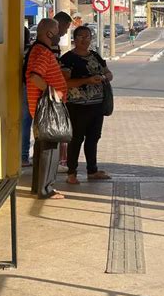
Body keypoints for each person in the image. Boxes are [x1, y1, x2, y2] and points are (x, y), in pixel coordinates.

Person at [60, 26, 114, 184]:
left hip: (97, 105)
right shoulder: (68, 58)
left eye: (88, 36)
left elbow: (109, 73)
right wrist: (86, 80)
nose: (85, 40)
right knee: (76, 139)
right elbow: (65, 82)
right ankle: (71, 173)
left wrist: (103, 77)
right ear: (74, 39)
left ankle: (92, 170)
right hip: (77, 106)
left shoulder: (96, 56)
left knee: (93, 138)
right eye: (81, 37)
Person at [26, 18, 68, 199]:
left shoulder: (38, 49)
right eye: (57, 30)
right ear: (49, 33)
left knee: (42, 148)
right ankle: (46, 189)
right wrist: (54, 92)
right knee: (50, 149)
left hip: (41, 106)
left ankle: (39, 187)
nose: (59, 34)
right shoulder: (42, 52)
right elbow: (35, 76)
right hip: (47, 107)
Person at [52, 12, 73, 173]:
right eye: (66, 26)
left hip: (57, 94)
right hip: (53, 96)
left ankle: (61, 160)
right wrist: (52, 92)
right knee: (57, 129)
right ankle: (59, 160)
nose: (67, 31)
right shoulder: (48, 45)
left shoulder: (54, 44)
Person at [21, 26, 33, 167]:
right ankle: (23, 156)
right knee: (26, 121)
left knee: (24, 122)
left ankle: (23, 155)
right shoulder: (32, 51)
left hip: (19, 87)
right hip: (28, 88)